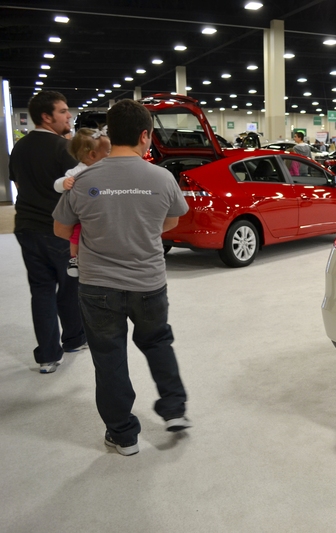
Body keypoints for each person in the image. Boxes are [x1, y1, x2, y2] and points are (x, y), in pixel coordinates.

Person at [52, 99, 191, 456]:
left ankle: (124, 435)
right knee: (158, 342)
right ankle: (174, 409)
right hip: (148, 283)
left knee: (109, 357)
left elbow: (60, 228)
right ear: (145, 136)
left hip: (98, 286)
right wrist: (142, 228)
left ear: (110, 136)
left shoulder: (85, 180)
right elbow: (174, 220)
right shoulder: (162, 177)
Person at [9, 90, 86, 374]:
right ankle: (75, 339)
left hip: (26, 228)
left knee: (41, 290)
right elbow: (81, 184)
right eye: (64, 111)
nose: (69, 116)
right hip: (58, 230)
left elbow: (16, 178)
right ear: (46, 116)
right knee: (69, 287)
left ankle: (48, 356)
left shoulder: (20, 147)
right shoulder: (61, 149)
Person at [54, 127, 111, 277]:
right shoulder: (77, 171)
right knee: (77, 233)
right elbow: (57, 184)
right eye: (108, 152)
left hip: (101, 209)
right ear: (92, 154)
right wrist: (64, 183)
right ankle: (75, 258)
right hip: (83, 212)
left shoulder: (106, 169)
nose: (110, 155)